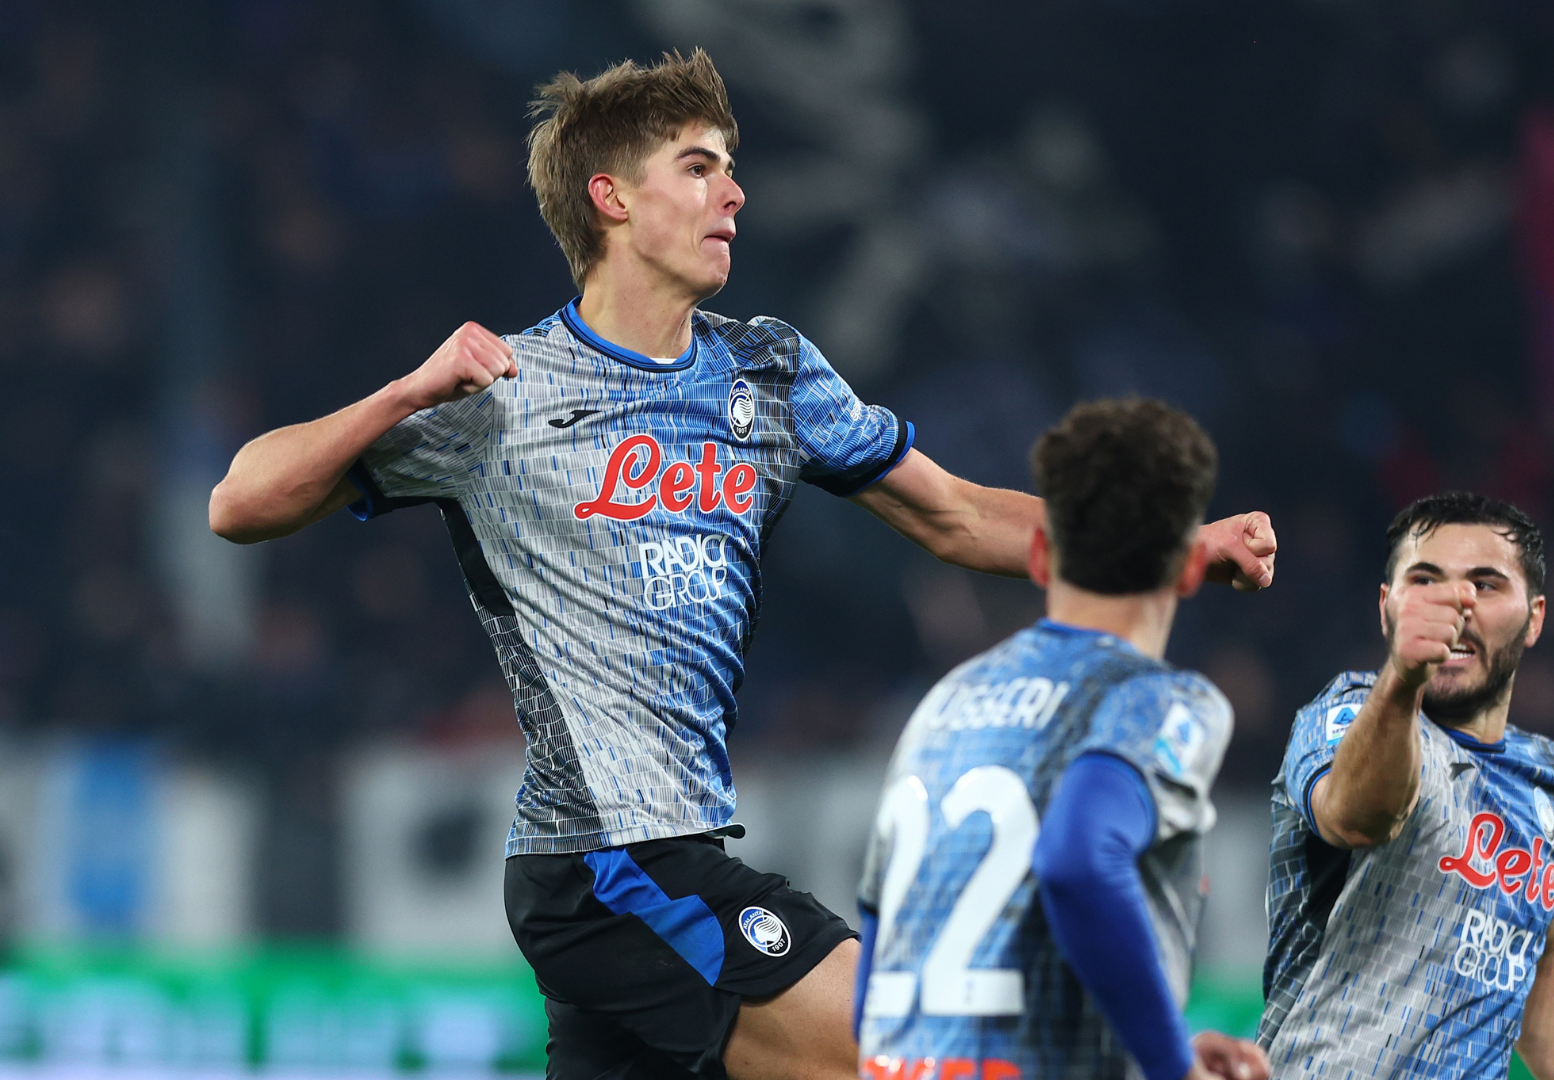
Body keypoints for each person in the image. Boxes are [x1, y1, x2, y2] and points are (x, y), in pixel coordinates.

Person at [207, 51, 1278, 1080]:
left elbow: (955, 515)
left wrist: (1175, 549)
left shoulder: (768, 369)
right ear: (612, 199)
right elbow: (240, 502)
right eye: (698, 167)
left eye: (730, 167)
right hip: (611, 862)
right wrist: (408, 391)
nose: (735, 193)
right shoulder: (503, 393)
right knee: (904, 1048)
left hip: (666, 857)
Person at [854, 399, 1271, 1080]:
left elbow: (878, 958)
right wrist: (1174, 1068)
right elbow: (1078, 859)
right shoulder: (1159, 700)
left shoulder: (945, 701)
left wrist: (1144, 1049)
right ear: (1191, 568)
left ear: (1041, 554)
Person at [1258, 492, 1554, 1079]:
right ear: (1386, 607)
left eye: (1486, 584)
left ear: (1535, 617)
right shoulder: (1342, 715)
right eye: (1425, 580)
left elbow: (1537, 953)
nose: (1456, 603)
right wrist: (1403, 678)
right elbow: (1358, 816)